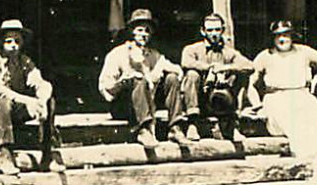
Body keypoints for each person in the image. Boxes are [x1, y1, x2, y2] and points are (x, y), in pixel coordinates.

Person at [247, 21, 317, 184]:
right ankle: (301, 173)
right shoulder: (265, 56)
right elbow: (251, 85)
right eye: (278, 36)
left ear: (292, 36)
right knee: (297, 130)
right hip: (277, 99)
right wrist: (257, 105)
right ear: (272, 38)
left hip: (302, 96)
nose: (282, 39)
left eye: (286, 35)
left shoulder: (304, 52)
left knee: (313, 130)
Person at [97, 8, 184, 148]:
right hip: (123, 106)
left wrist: (168, 71)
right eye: (139, 30)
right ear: (132, 31)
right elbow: (105, 87)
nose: (143, 35)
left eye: (147, 31)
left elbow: (176, 70)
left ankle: (175, 127)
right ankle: (143, 131)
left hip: (147, 107)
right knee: (138, 79)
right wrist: (124, 82)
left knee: (172, 78)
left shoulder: (153, 55)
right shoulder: (118, 54)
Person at [0, 19, 56, 176]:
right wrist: (29, 101)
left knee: (50, 102)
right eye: (8, 41)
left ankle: (47, 153)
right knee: (3, 102)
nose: (13, 45)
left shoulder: (24, 61)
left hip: (15, 108)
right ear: (1, 42)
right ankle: (5, 154)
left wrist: (42, 101)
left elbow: (41, 82)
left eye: (17, 41)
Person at [179, 12, 255, 140]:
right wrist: (210, 69)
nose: (214, 34)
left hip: (223, 99)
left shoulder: (229, 52)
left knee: (242, 76)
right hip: (199, 100)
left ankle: (234, 124)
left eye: (217, 30)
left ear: (222, 31)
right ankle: (193, 124)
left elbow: (249, 66)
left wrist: (226, 68)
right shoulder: (192, 49)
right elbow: (186, 62)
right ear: (203, 31)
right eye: (210, 30)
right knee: (192, 74)